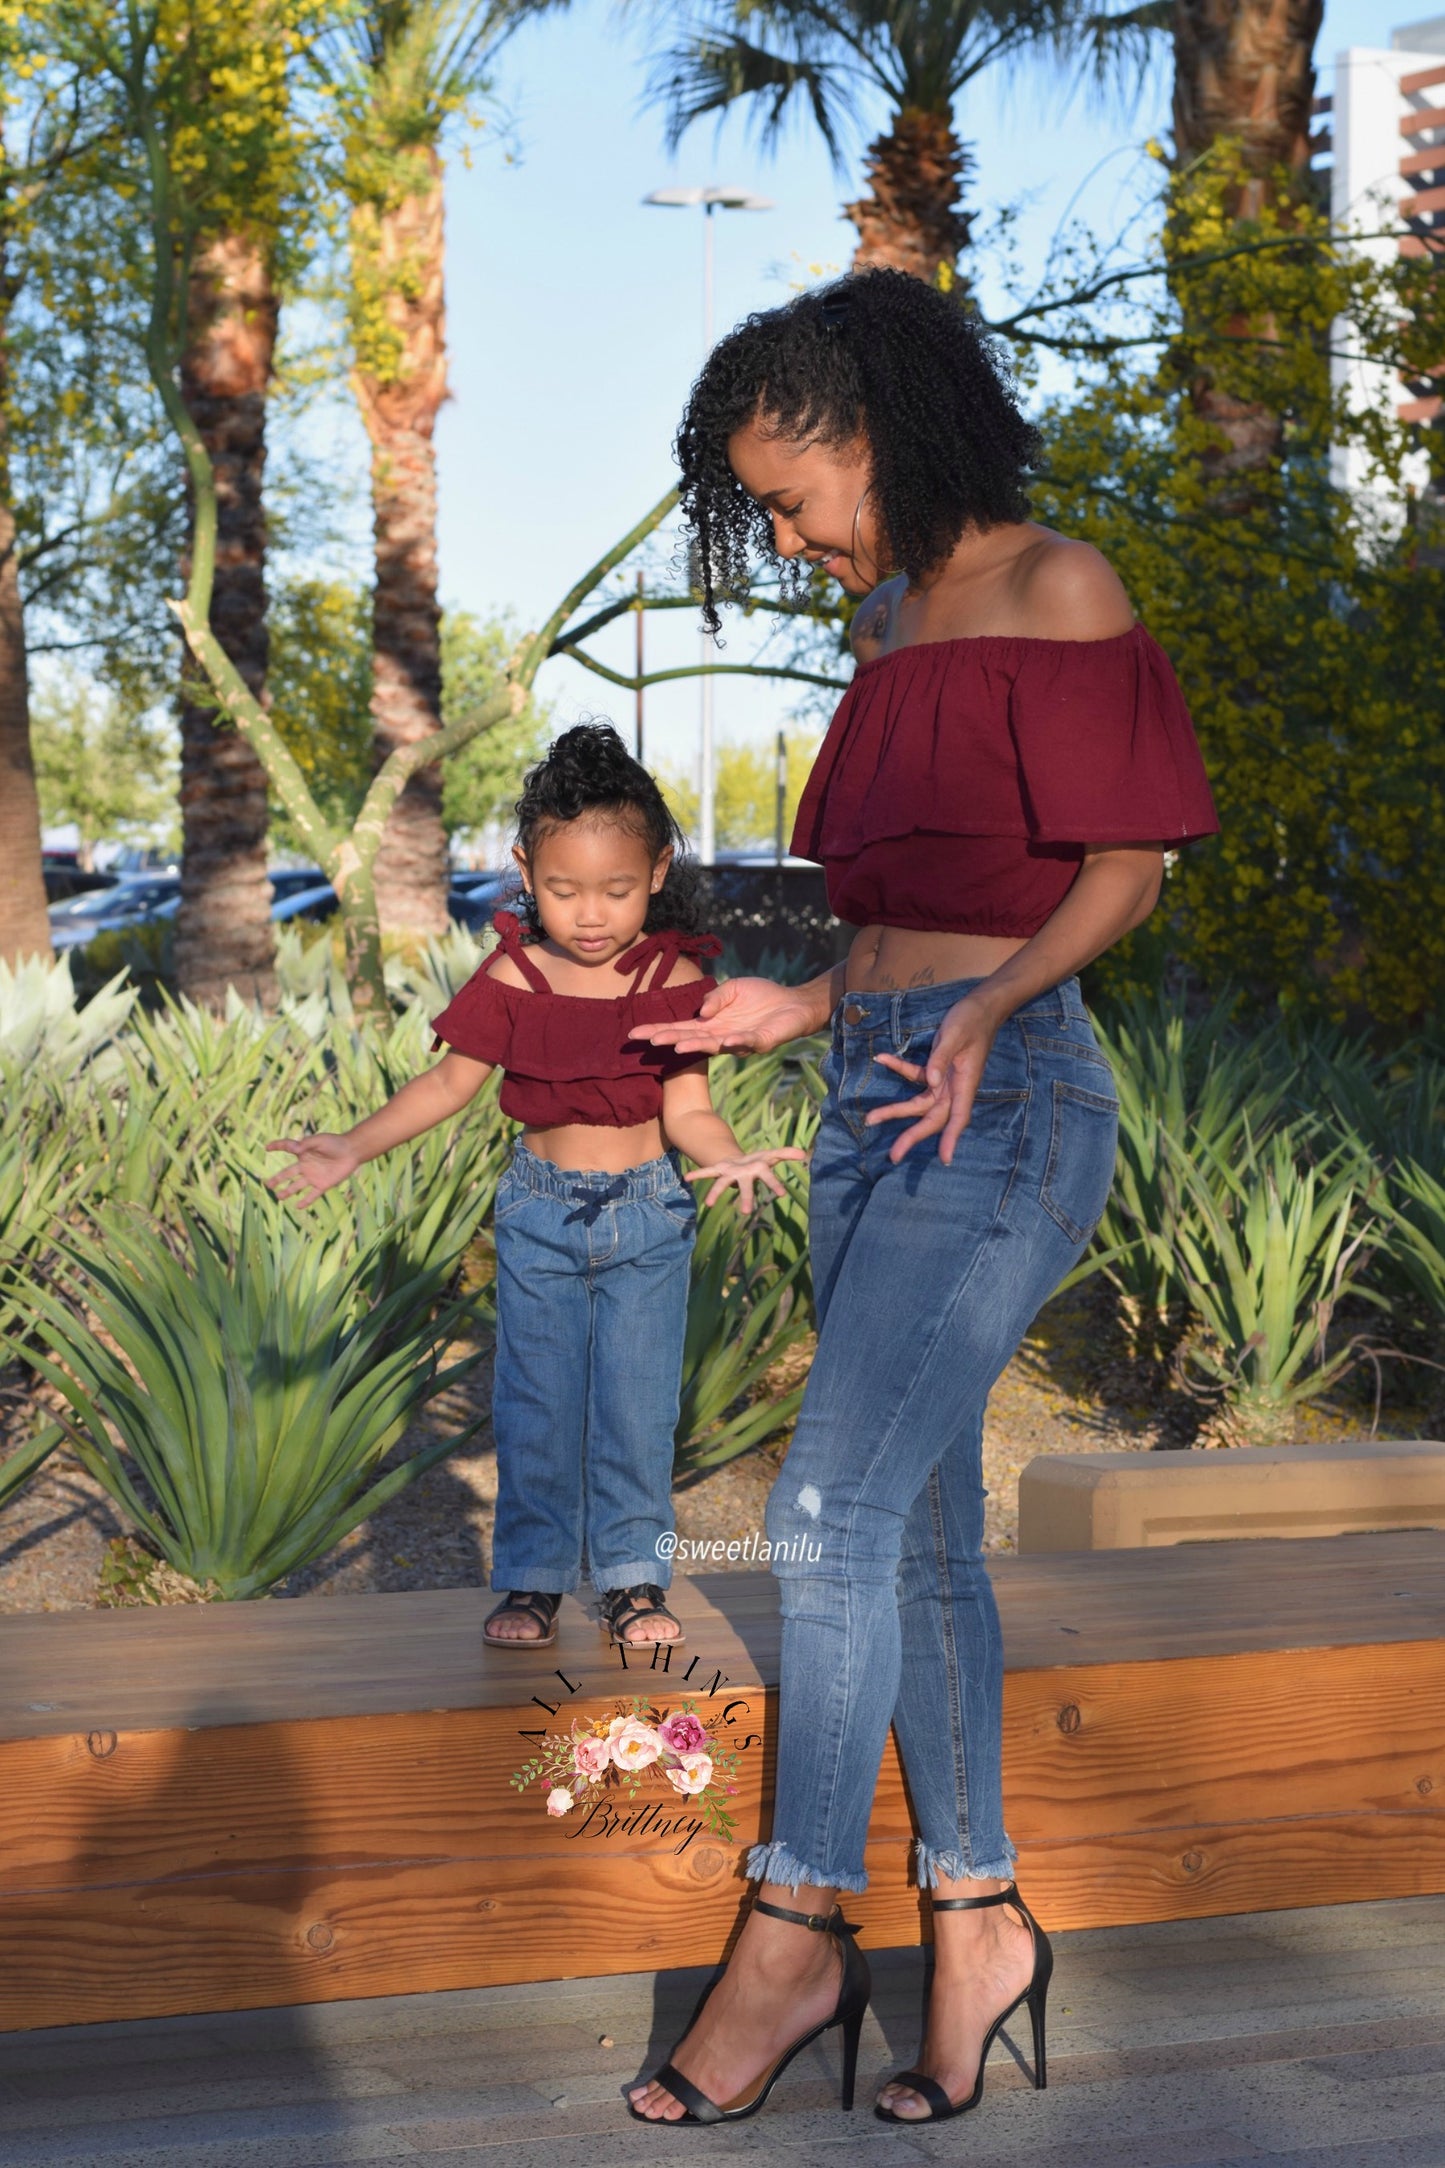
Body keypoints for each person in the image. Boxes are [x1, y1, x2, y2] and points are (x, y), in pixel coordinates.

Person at [625, 269, 1219, 2127]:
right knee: (924, 1532)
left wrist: (985, 1003)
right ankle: (976, 1918)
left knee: (821, 1506)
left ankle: (797, 1924)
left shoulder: (1061, 587)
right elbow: (898, 899)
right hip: (872, 1092)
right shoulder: (890, 618)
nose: (789, 537)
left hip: (1011, 1098)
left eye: (792, 496)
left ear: (875, 424)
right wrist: (799, 1000)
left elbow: (1123, 869)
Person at [267, 723, 805, 1652]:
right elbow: (447, 1085)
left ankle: (634, 1581)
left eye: (616, 890)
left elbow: (687, 1110)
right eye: (562, 890)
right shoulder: (510, 975)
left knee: (637, 1410)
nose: (590, 914)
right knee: (536, 1406)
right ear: (523, 868)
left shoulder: (675, 978)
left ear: (658, 870)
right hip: (537, 1210)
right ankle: (532, 1579)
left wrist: (724, 1156)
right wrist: (352, 1147)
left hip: (648, 1212)